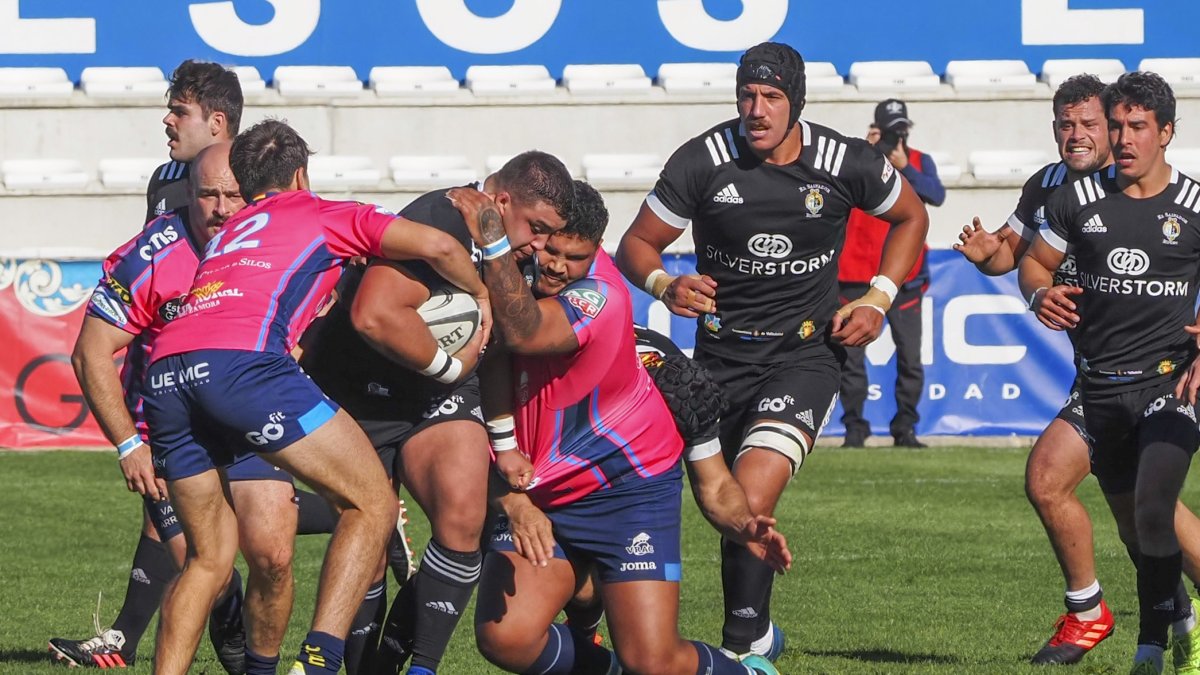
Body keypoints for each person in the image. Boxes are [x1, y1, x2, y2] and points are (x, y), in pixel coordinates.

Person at [615, 40, 929, 660]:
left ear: (797, 102)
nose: (756, 110)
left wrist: (877, 298)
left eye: (772, 97)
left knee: (753, 496)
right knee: (726, 507)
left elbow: (912, 216)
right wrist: (665, 283)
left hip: (805, 357)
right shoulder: (703, 159)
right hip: (718, 362)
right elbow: (635, 245)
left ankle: (737, 651)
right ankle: (755, 630)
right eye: (747, 96)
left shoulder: (844, 160)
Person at [138, 119, 487, 675]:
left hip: (165, 373)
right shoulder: (322, 213)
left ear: (247, 184)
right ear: (301, 174)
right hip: (243, 365)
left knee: (207, 560)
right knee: (372, 502)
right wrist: (480, 293)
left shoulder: (230, 230)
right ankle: (320, 658)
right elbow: (440, 244)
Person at [445, 183, 782, 675]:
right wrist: (513, 498)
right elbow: (498, 359)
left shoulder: (601, 297)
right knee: (505, 638)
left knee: (653, 661)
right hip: (541, 493)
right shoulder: (515, 275)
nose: (557, 265)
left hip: (627, 493)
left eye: (575, 256)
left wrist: (743, 524)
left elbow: (713, 484)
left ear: (597, 250)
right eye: (550, 248)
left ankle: (745, 672)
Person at [298, 150, 575, 675]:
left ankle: (420, 666)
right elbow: (373, 315)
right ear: (501, 200)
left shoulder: (510, 252)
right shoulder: (442, 216)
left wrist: (503, 442)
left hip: (429, 400)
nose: (540, 245)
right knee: (367, 549)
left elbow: (494, 349)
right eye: (536, 227)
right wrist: (449, 368)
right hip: (355, 396)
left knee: (463, 515)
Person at [956, 74, 1200, 666]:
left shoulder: (1188, 204)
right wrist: (1029, 286)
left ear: (1162, 133)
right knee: (1089, 501)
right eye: (1101, 125)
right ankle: (1129, 614)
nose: (1108, 137)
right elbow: (1025, 261)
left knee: (1153, 504)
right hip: (1097, 381)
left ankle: (1142, 630)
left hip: (1163, 380)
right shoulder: (1062, 192)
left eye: (1120, 125)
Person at [51, 143, 269, 674]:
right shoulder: (155, 253)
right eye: (207, 195)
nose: (219, 207)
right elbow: (90, 352)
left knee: (269, 548)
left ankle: (352, 511)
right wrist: (130, 444)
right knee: (206, 565)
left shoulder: (270, 239)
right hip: (167, 436)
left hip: (244, 427)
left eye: (231, 195)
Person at [838, 99, 945, 448]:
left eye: (902, 131)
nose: (897, 138)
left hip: (903, 277)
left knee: (909, 356)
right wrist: (868, 155)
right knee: (851, 358)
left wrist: (905, 168)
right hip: (853, 273)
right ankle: (855, 427)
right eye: (890, 132)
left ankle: (906, 428)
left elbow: (935, 194)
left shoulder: (918, 161)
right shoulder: (855, 157)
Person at [146, 60, 242, 223]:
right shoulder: (164, 180)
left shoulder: (255, 178)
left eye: (180, 112)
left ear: (216, 122)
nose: (167, 119)